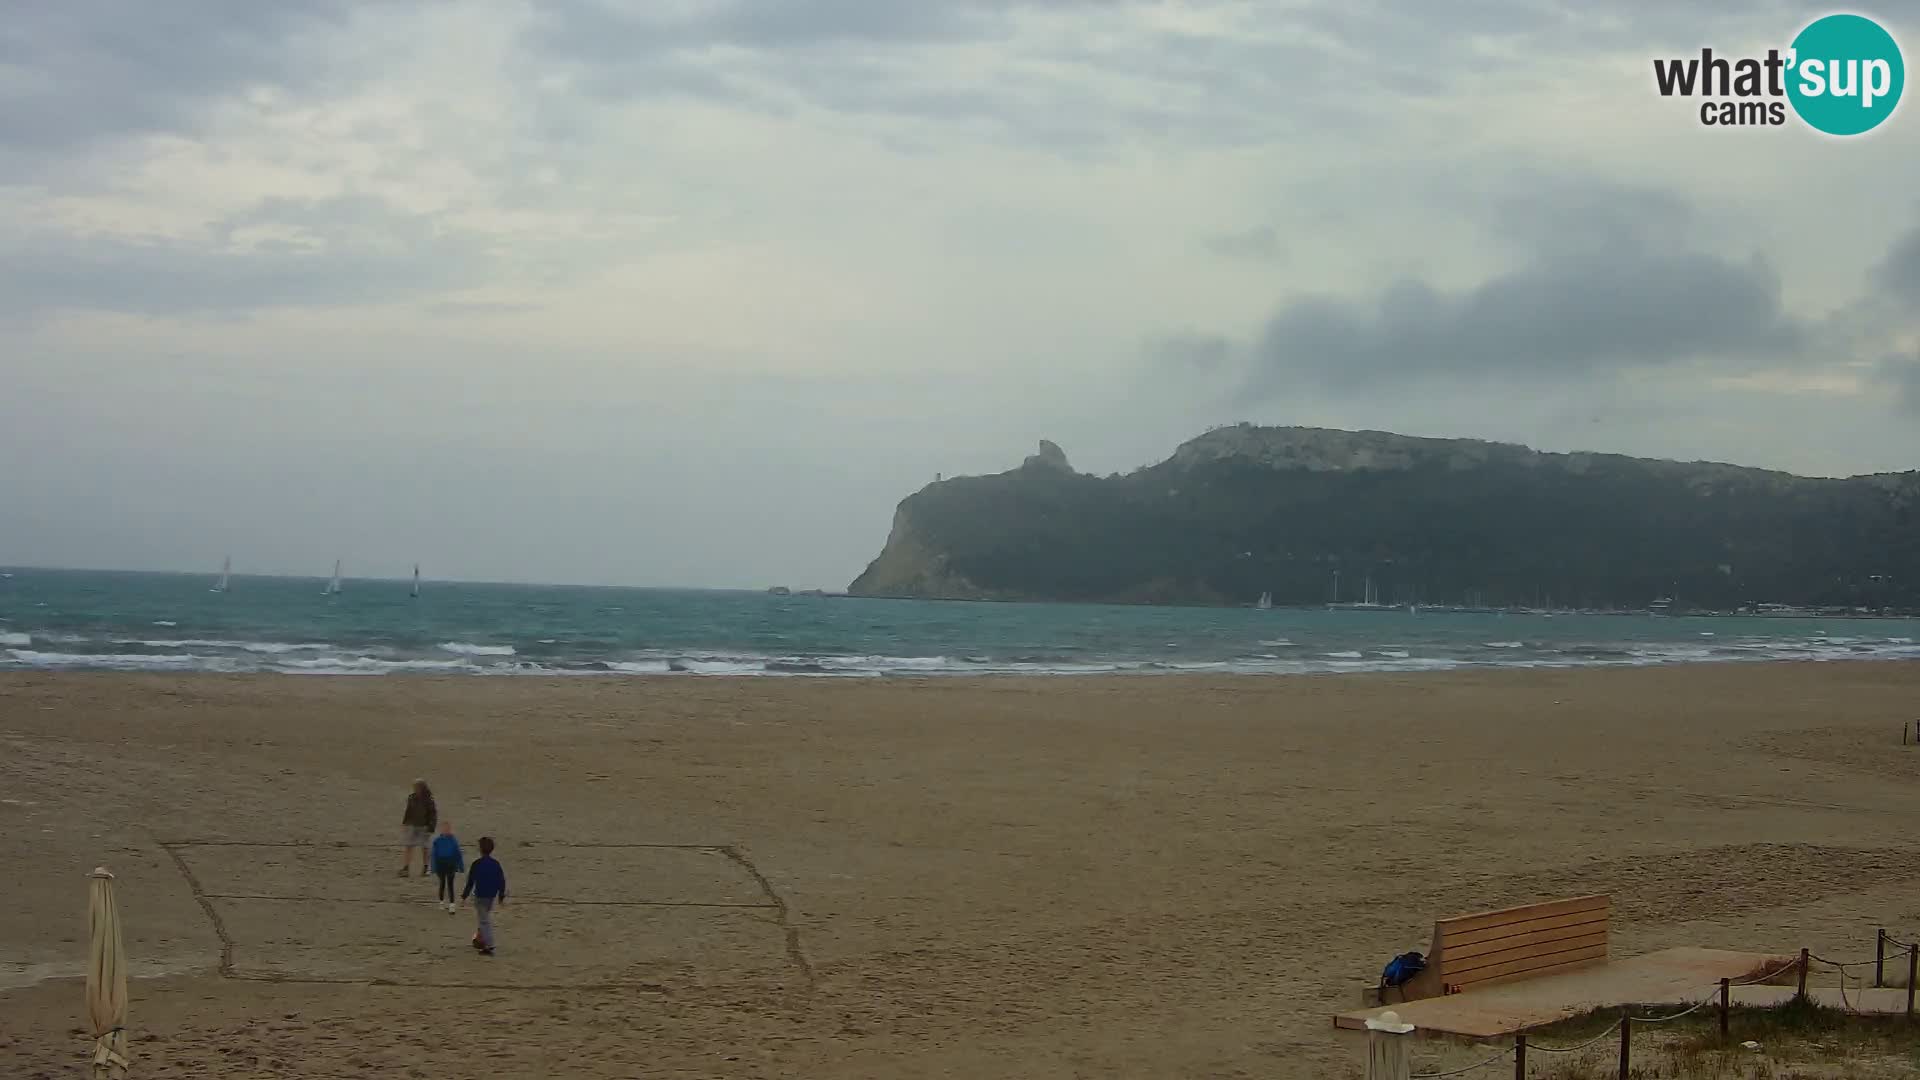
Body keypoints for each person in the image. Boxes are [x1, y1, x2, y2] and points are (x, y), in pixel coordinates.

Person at [461, 836, 507, 956]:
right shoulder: (495, 864)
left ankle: (489, 944)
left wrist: (464, 896)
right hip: (491, 896)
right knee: (484, 917)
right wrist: (501, 897)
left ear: (480, 849)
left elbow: (470, 882)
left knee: (484, 920)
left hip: (480, 895)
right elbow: (501, 881)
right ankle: (479, 939)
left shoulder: (477, 864)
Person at [400, 779, 436, 877]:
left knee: (425, 848)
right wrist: (405, 823)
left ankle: (426, 867)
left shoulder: (429, 800)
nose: (415, 789)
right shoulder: (412, 798)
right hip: (413, 826)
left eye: (416, 787)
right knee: (409, 846)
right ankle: (406, 868)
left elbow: (433, 814)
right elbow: (408, 811)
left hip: (424, 827)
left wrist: (431, 827)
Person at [429, 820, 465, 913]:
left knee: (450, 884)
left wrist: (461, 866)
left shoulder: (453, 841)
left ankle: (452, 905)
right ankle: (441, 902)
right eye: (445, 829)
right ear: (441, 830)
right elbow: (434, 855)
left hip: (451, 865)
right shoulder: (437, 841)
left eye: (448, 829)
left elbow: (458, 854)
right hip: (440, 865)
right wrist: (433, 868)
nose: (446, 830)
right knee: (442, 883)